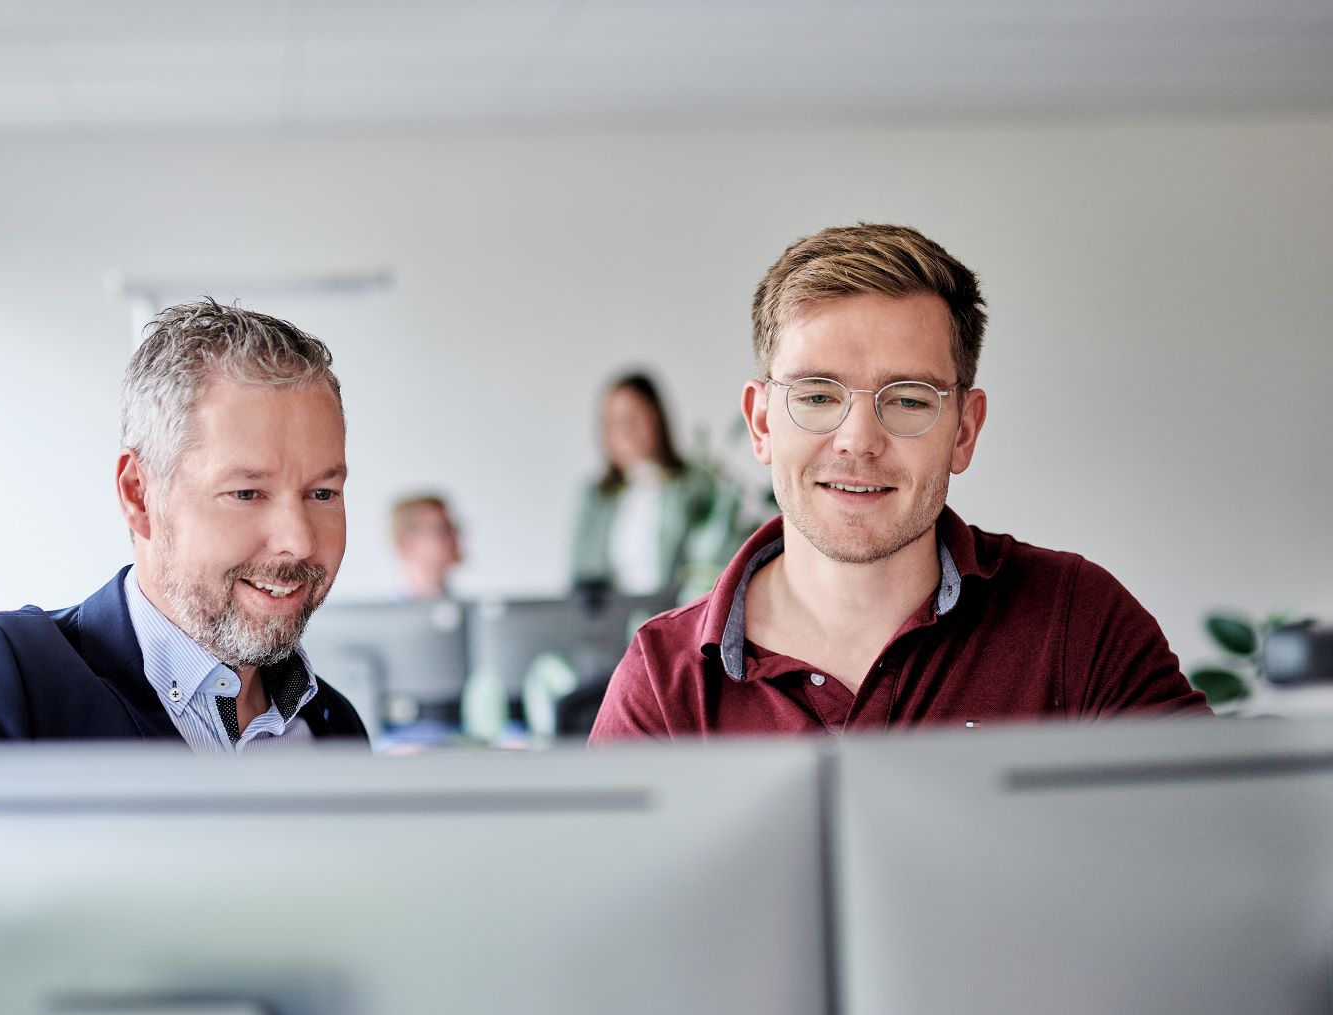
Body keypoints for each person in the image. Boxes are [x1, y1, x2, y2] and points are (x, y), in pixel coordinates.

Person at [590, 223, 1207, 742]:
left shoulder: (1078, 623)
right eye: (817, 395)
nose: (858, 438)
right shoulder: (662, 685)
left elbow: (1229, 849)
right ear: (761, 422)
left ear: (964, 429)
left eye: (909, 400)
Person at [0, 299, 368, 751]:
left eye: (322, 493)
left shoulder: (333, 725)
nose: (299, 541)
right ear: (139, 495)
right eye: (246, 493)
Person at [570, 371, 723, 598]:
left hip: (678, 615)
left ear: (657, 418)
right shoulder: (596, 497)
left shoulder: (696, 487)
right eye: (613, 422)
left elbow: (708, 565)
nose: (625, 432)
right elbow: (581, 579)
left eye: (633, 418)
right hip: (613, 624)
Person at [391, 493, 462, 599]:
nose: (455, 536)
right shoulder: (382, 614)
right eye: (443, 530)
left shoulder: (465, 609)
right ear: (406, 545)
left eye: (454, 528)